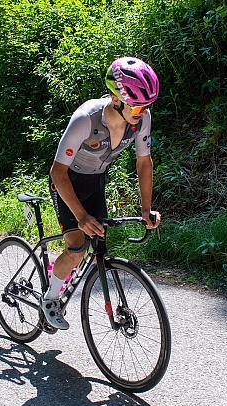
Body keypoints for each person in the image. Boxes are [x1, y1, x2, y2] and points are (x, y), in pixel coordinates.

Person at [41, 57, 162, 330]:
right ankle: (50, 298)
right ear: (116, 98)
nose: (142, 112)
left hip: (95, 182)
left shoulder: (141, 120)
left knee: (98, 242)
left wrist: (146, 209)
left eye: (147, 106)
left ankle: (61, 270)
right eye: (137, 105)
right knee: (76, 247)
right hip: (67, 182)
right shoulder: (86, 119)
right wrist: (81, 216)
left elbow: (144, 162)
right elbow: (57, 173)